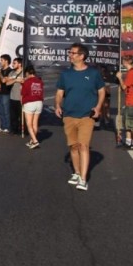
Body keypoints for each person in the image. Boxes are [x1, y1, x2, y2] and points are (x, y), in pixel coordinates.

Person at [55, 43, 105, 191]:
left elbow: (101, 91)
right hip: (69, 115)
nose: (70, 55)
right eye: (70, 52)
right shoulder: (65, 74)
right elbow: (59, 93)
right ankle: (76, 173)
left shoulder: (94, 73)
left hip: (86, 116)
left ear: (82, 56)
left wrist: (98, 107)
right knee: (73, 146)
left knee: (83, 145)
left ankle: (83, 179)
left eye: (73, 53)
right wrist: (58, 105)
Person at [116, 56, 133, 150]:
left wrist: (120, 78)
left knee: (132, 122)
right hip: (132, 100)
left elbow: (124, 87)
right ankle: (129, 142)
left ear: (126, 62)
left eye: (123, 60)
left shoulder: (132, 73)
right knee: (128, 122)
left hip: (132, 100)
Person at [21, 65, 44, 149]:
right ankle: (32, 141)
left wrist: (22, 84)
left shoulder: (26, 82)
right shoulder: (40, 81)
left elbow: (23, 93)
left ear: (27, 73)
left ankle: (35, 140)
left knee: (29, 124)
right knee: (35, 123)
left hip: (29, 103)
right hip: (39, 102)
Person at [0, 54, 13, 134]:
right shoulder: (1, 70)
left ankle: (8, 127)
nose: (0, 62)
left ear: (6, 61)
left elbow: (4, 81)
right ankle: (3, 126)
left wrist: (0, 73)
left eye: (2, 60)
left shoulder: (10, 71)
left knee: (6, 111)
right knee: (0, 111)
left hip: (6, 93)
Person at [6, 57, 24, 135]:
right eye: (13, 63)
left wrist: (22, 81)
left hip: (21, 98)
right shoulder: (12, 73)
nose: (12, 65)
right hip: (12, 97)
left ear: (19, 64)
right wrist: (16, 80)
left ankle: (22, 130)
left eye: (14, 63)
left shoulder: (24, 72)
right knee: (13, 116)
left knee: (22, 115)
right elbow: (7, 83)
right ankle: (14, 129)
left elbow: (25, 82)